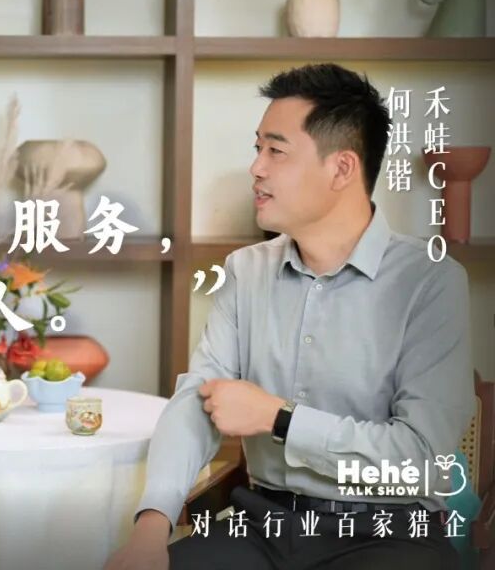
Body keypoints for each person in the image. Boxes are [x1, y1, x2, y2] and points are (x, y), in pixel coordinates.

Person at [105, 63, 471, 570]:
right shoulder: (245, 271)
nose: (256, 168)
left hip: (389, 535)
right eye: (258, 148)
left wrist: (280, 419)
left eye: (275, 151)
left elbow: (423, 461)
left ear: (341, 169)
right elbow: (196, 403)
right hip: (264, 527)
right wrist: (151, 528)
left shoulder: (430, 281)